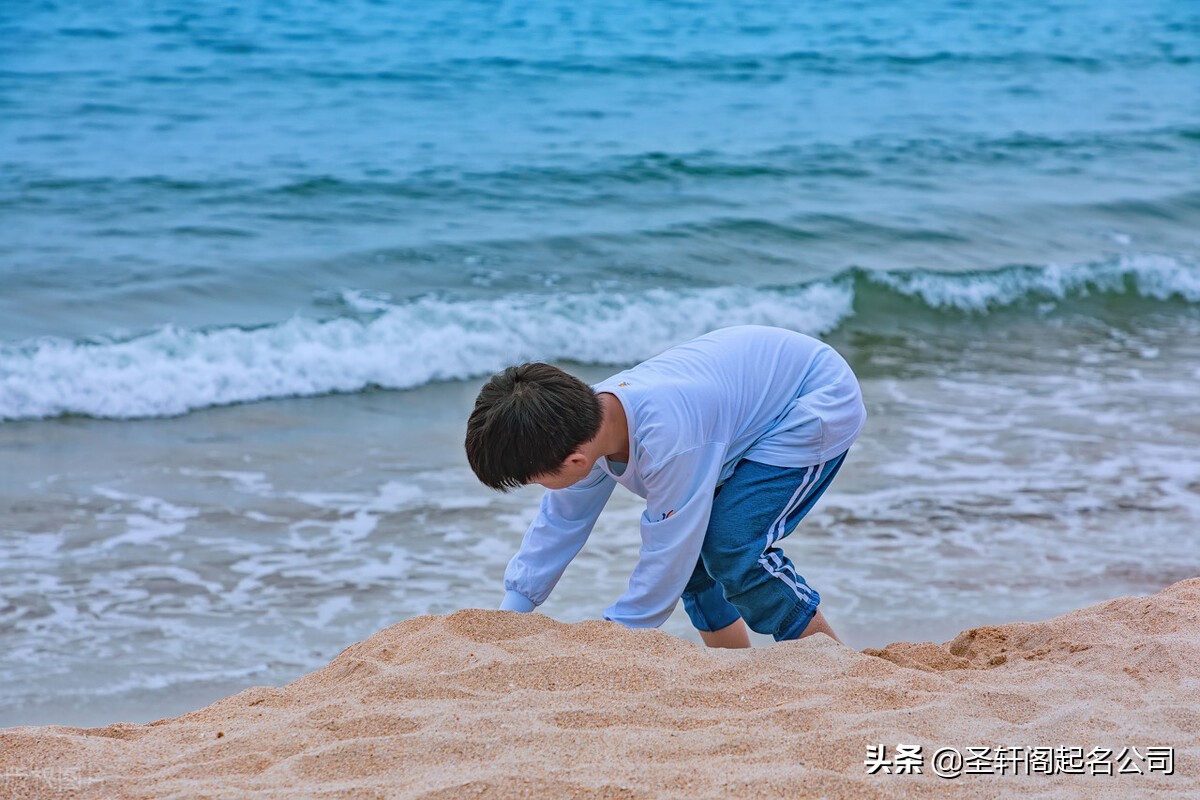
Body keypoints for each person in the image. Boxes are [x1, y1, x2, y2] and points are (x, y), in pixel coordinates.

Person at [464, 325, 865, 647]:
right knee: (694, 558)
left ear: (574, 462)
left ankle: (833, 668)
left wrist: (619, 637)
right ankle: (733, 667)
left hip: (813, 399)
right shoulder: (583, 421)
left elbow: (666, 554)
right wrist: (510, 614)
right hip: (744, 400)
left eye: (535, 480)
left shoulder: (668, 442)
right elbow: (560, 524)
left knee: (731, 548)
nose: (541, 488)